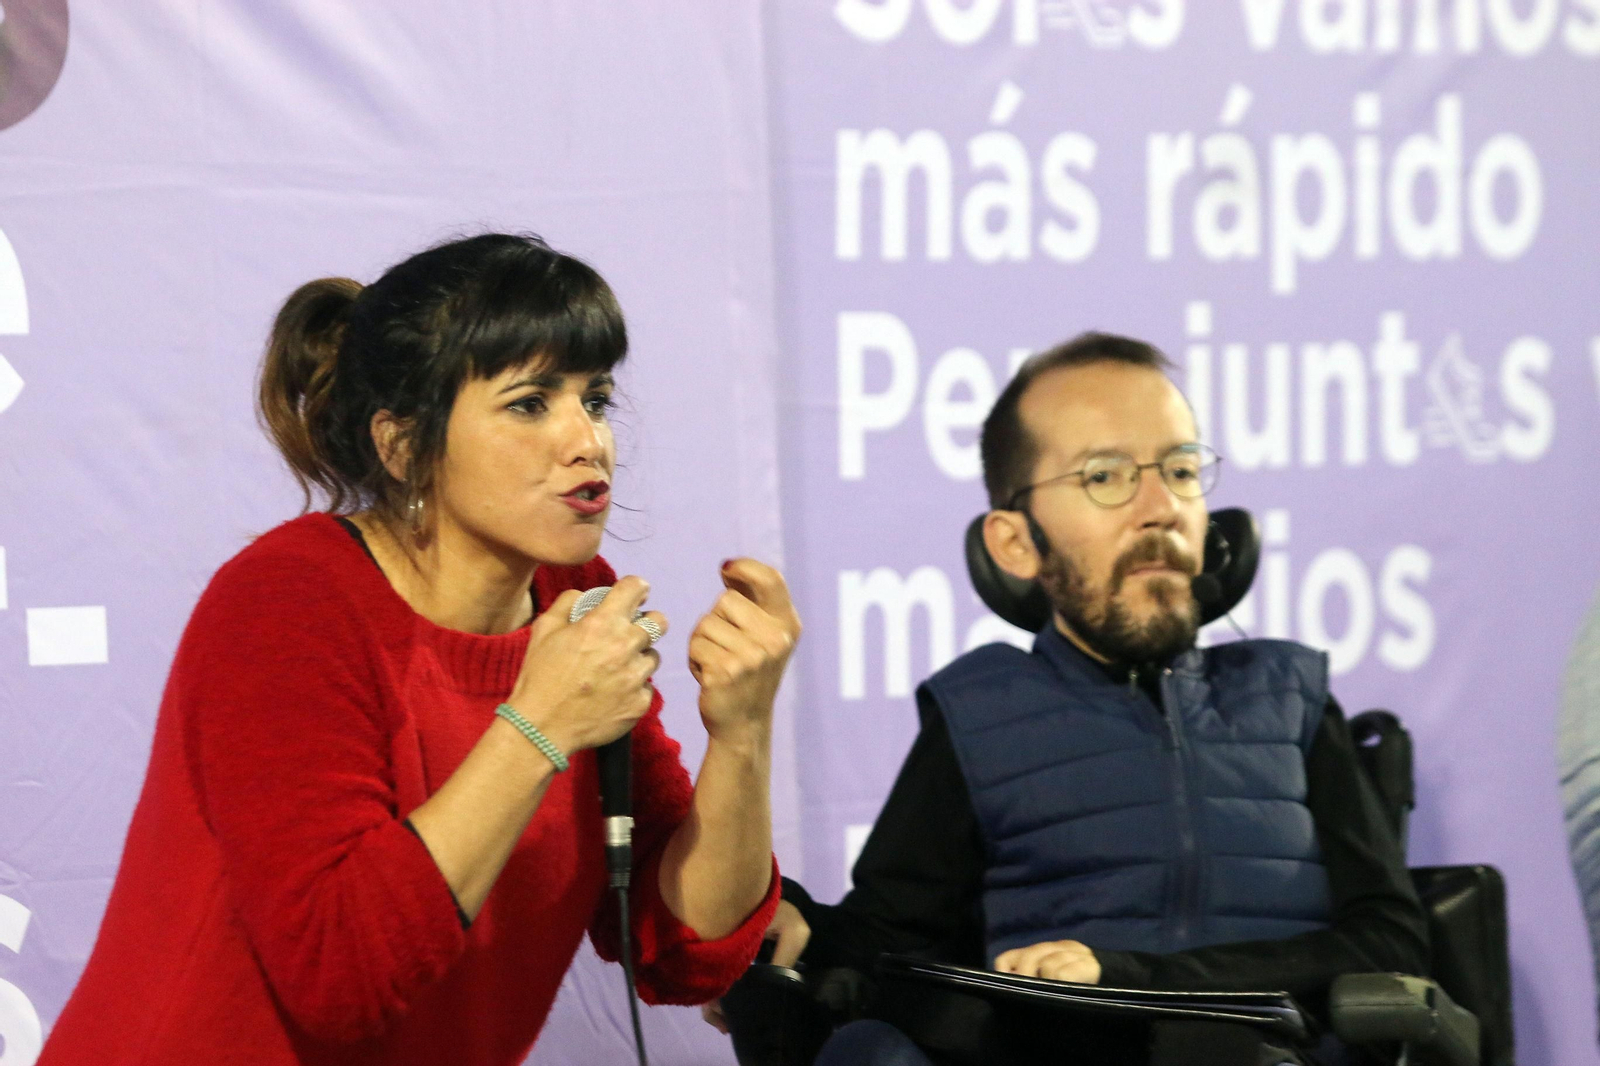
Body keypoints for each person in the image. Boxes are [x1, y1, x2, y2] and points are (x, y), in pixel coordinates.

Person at [41, 233, 801, 1066]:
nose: (587, 441)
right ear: (403, 446)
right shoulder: (287, 601)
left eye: (596, 398)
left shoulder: (571, 596)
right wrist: (538, 724)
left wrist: (742, 732)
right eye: (529, 403)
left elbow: (684, 949)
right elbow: (342, 974)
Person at [711, 333, 1427, 1065]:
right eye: (1107, 476)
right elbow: (884, 946)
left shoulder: (1292, 699)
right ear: (1016, 543)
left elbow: (1392, 941)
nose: (1161, 508)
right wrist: (782, 917)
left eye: (1181, 470)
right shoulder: (981, 714)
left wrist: (1129, 980)